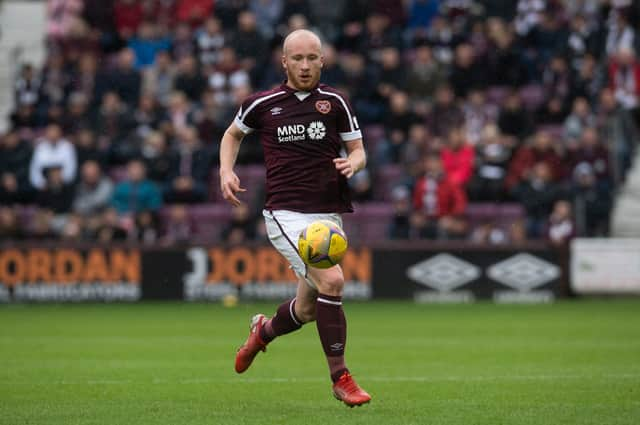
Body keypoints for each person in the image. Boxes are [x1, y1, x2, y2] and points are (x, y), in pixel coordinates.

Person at [219, 29, 371, 407]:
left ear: (323, 60)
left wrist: (352, 163)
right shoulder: (262, 103)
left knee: (306, 308)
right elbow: (232, 135)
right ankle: (341, 377)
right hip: (286, 214)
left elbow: (358, 150)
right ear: (284, 62)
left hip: (328, 214)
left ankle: (262, 332)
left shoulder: (335, 102)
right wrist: (226, 171)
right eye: (297, 59)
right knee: (333, 282)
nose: (305, 66)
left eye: (312, 58)